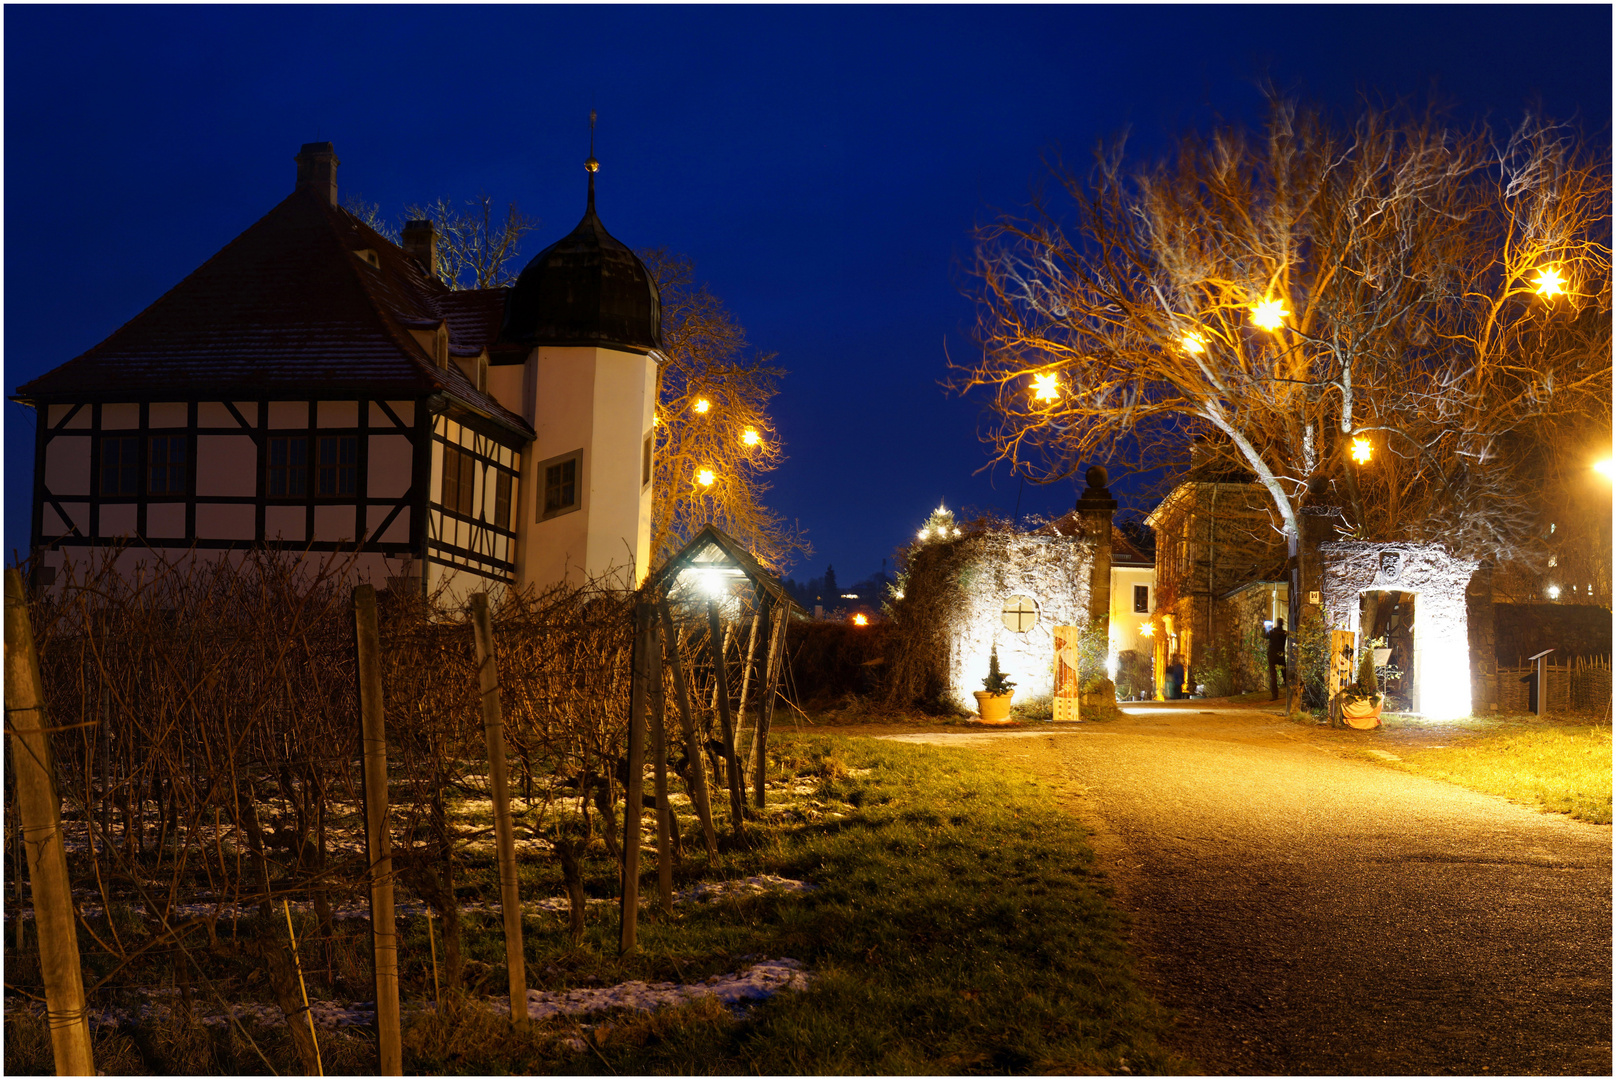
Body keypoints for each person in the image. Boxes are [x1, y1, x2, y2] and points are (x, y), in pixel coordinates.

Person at [1266, 618, 1288, 701]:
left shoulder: (1272, 632)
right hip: (1281, 655)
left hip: (1272, 655)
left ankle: (1275, 695)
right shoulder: (1284, 633)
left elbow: (1265, 635)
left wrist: (1266, 627)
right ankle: (1289, 693)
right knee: (1285, 674)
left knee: (1273, 675)